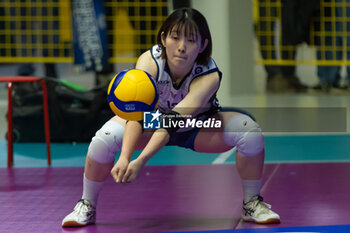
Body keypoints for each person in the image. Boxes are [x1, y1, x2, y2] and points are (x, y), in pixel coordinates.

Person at [62, 8, 280, 227]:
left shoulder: (208, 74)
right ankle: (86, 206)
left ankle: (251, 203)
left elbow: (172, 123)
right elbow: (138, 117)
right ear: (163, 38)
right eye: (175, 37)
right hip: (151, 123)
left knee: (248, 131)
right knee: (103, 139)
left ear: (203, 45)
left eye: (191, 40)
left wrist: (140, 161)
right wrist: (124, 157)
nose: (182, 46)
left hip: (197, 126)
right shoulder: (149, 62)